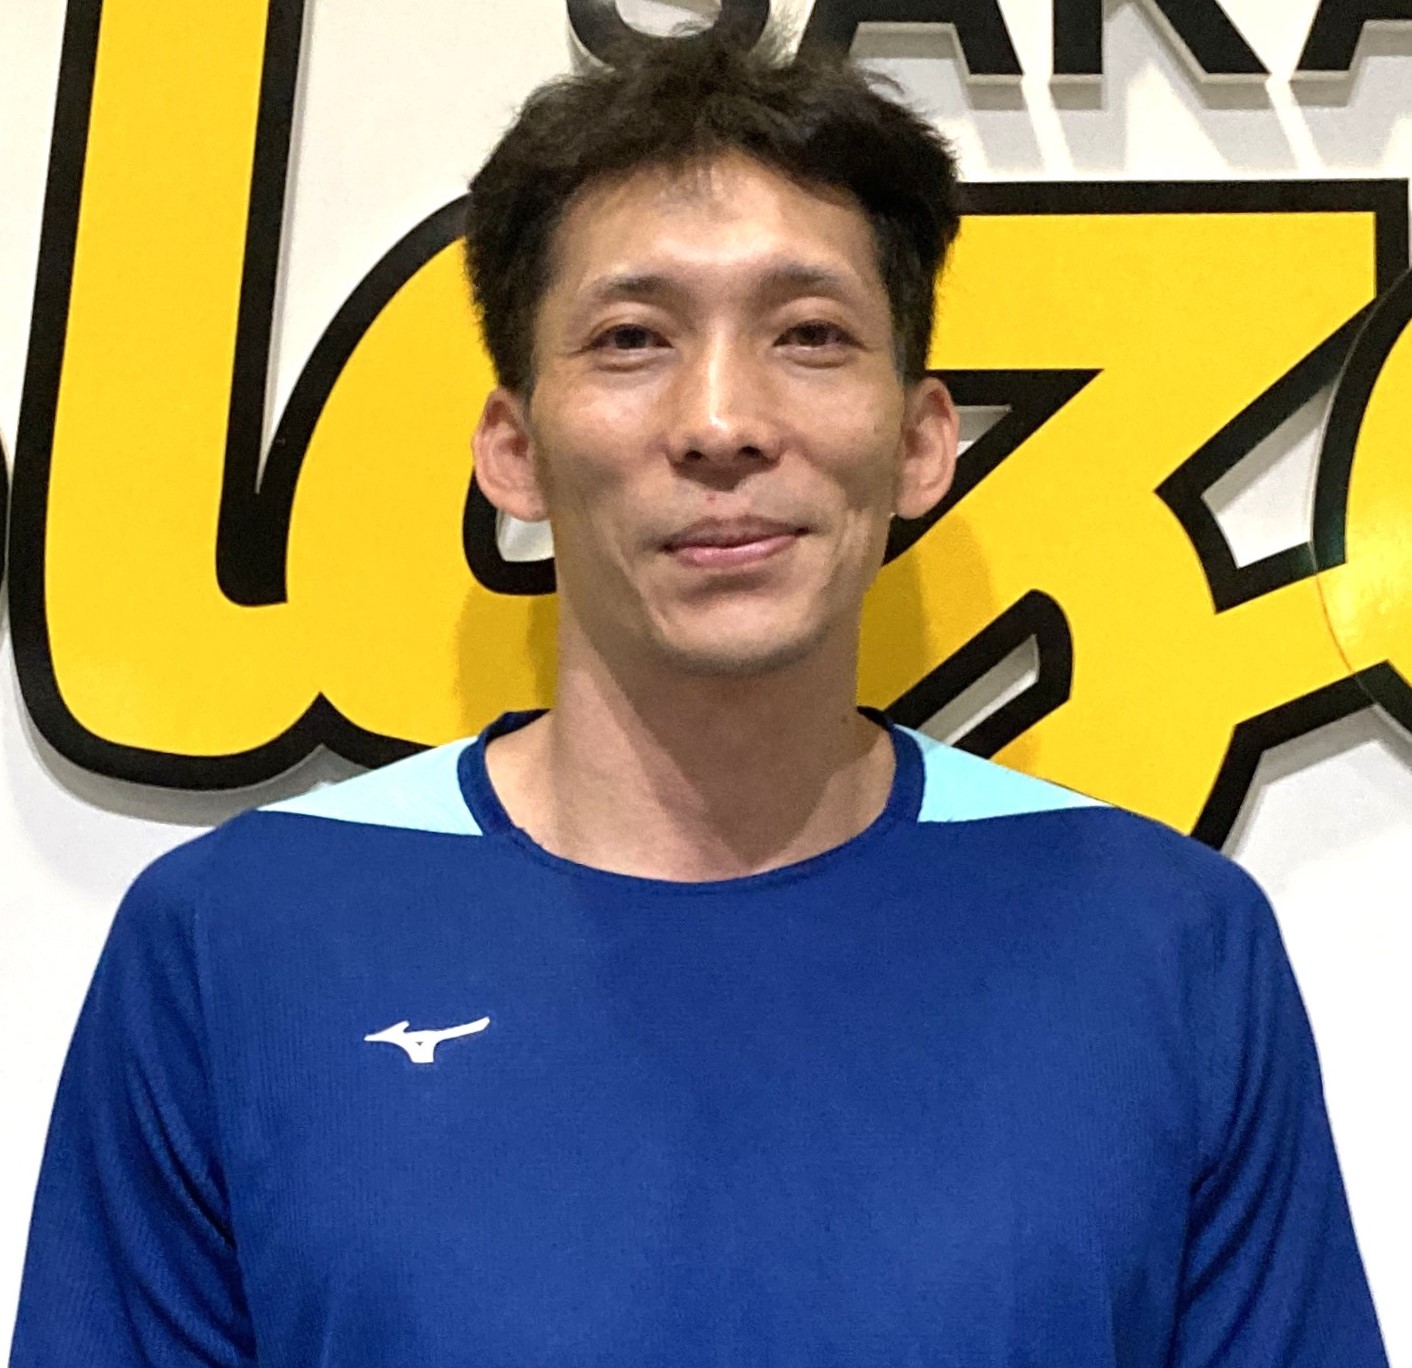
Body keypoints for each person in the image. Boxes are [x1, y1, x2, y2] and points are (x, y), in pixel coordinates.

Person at [9, 25, 1389, 1368]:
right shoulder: (234, 945)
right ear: (513, 451)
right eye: (631, 338)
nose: (722, 422)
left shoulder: (1168, 946)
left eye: (809, 334)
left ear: (922, 443)